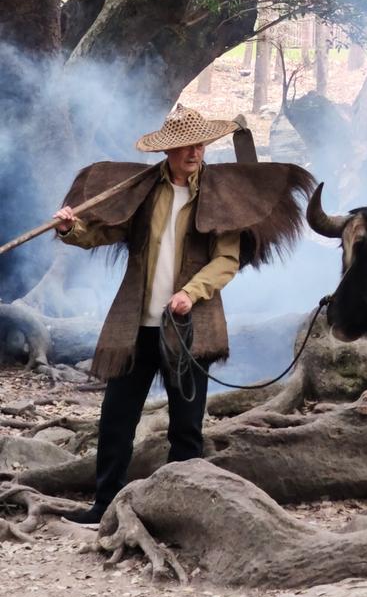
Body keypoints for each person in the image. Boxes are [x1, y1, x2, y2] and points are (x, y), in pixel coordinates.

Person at [52, 105, 313, 525]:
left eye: (200, 145)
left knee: (186, 427)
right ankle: (103, 506)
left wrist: (191, 293)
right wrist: (70, 229)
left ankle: (183, 511)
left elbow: (226, 260)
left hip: (192, 328)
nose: (195, 152)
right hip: (135, 325)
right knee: (117, 419)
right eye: (187, 146)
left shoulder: (219, 197)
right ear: (169, 151)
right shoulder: (144, 192)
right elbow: (103, 231)